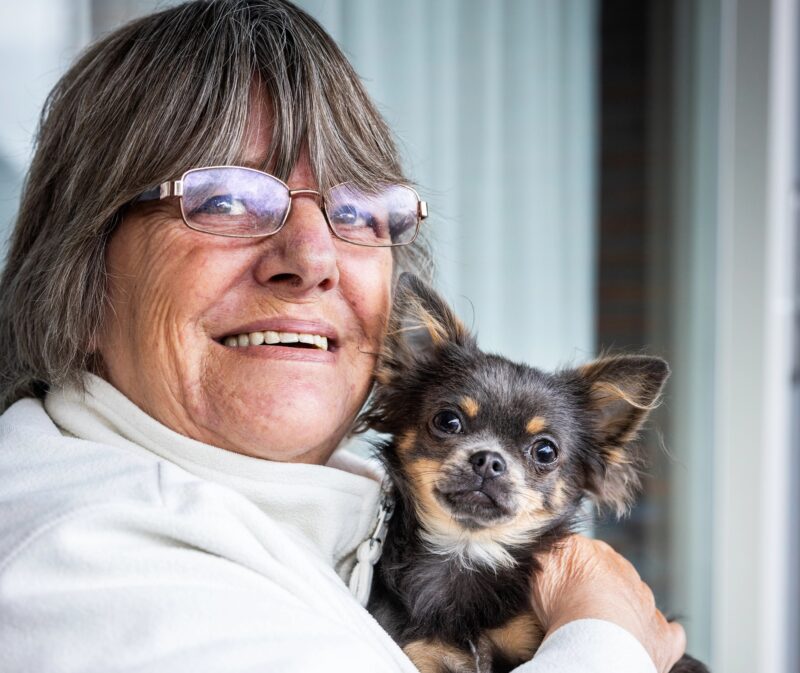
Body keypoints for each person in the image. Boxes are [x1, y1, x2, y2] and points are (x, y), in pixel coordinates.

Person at [0, 1, 686, 671]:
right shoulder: (88, 566)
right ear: (80, 279)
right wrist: (609, 635)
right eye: (225, 199)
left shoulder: (324, 525)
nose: (312, 258)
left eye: (356, 209)